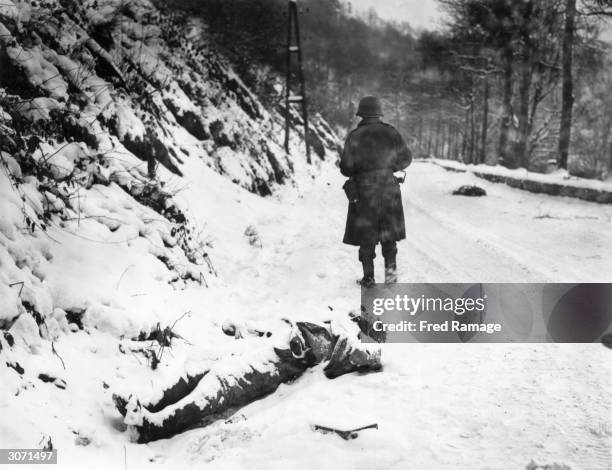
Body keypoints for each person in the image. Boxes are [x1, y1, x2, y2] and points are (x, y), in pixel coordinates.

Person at [340, 96, 412, 287]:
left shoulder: (354, 136)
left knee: (367, 234)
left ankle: (368, 278)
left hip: (364, 192)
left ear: (361, 114)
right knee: (389, 235)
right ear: (379, 113)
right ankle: (391, 278)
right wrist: (389, 167)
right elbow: (406, 159)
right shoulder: (391, 133)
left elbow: (346, 169)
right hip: (389, 189)